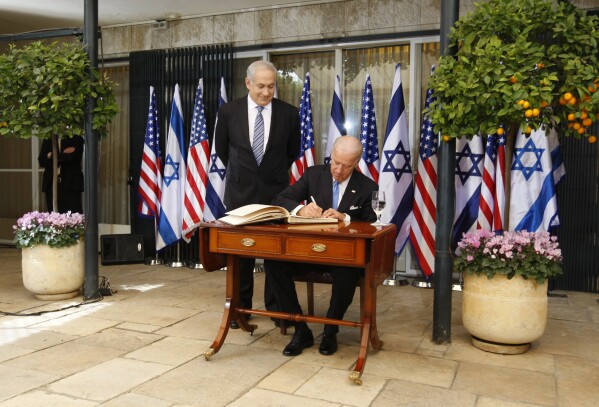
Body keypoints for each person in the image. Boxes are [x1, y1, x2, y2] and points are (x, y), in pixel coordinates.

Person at [264, 135, 377, 356]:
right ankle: (300, 328)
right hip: (308, 252)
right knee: (273, 262)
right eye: (335, 162)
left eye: (346, 166)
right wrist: (300, 209)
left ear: (356, 163)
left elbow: (374, 221)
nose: (338, 170)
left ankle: (330, 330)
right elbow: (280, 200)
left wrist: (345, 217)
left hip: (342, 256)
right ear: (331, 155)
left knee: (348, 270)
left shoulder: (366, 186)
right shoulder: (314, 175)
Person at [215, 60, 301, 329]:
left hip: (276, 193)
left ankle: (278, 310)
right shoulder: (229, 112)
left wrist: (270, 174)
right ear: (248, 83)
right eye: (261, 86)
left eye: (271, 86)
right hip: (240, 193)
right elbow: (223, 151)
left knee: (276, 254)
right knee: (241, 255)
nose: (266, 92)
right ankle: (240, 310)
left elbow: (292, 152)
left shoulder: (289, 113)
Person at [38, 136, 84, 214]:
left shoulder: (76, 138)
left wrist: (51, 155)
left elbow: (73, 158)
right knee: (53, 215)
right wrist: (63, 155)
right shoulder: (49, 138)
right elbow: (42, 160)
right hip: (51, 183)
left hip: (71, 183)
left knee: (73, 215)